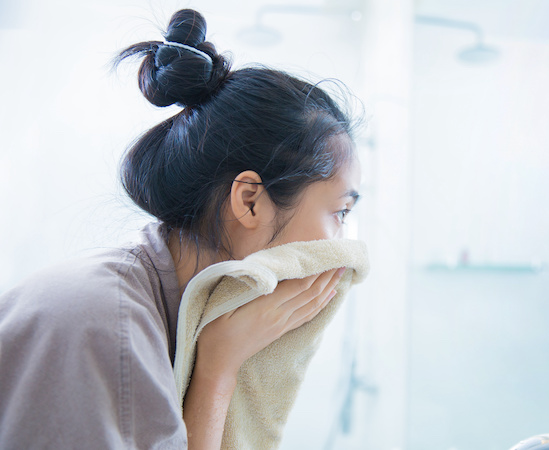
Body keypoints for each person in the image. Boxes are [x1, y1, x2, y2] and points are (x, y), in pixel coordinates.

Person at [0, 8, 361, 449]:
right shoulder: (103, 326)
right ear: (250, 201)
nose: (342, 245)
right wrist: (216, 373)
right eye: (339, 212)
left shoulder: (161, 316)